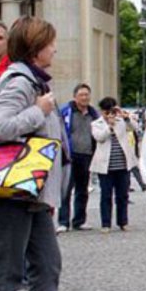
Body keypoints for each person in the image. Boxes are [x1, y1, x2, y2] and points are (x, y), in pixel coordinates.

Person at [0, 16, 86, 291]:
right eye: (50, 43)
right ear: (36, 48)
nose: (55, 49)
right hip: (14, 192)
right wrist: (39, 111)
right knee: (7, 271)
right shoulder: (19, 82)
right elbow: (0, 125)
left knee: (48, 265)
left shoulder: (34, 81)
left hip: (33, 195)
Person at [91, 98, 138, 232]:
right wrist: (109, 127)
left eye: (112, 111)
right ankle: (106, 224)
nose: (109, 115)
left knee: (123, 195)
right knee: (106, 195)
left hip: (122, 164)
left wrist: (125, 116)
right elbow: (99, 137)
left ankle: (123, 222)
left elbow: (134, 128)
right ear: (102, 111)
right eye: (106, 112)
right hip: (105, 166)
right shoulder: (96, 123)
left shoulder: (121, 121)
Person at [58, 82, 99, 232]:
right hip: (69, 155)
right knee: (66, 189)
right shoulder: (66, 112)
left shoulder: (93, 114)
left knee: (82, 190)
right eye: (81, 95)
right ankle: (63, 221)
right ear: (75, 97)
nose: (84, 97)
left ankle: (79, 220)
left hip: (86, 154)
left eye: (86, 94)